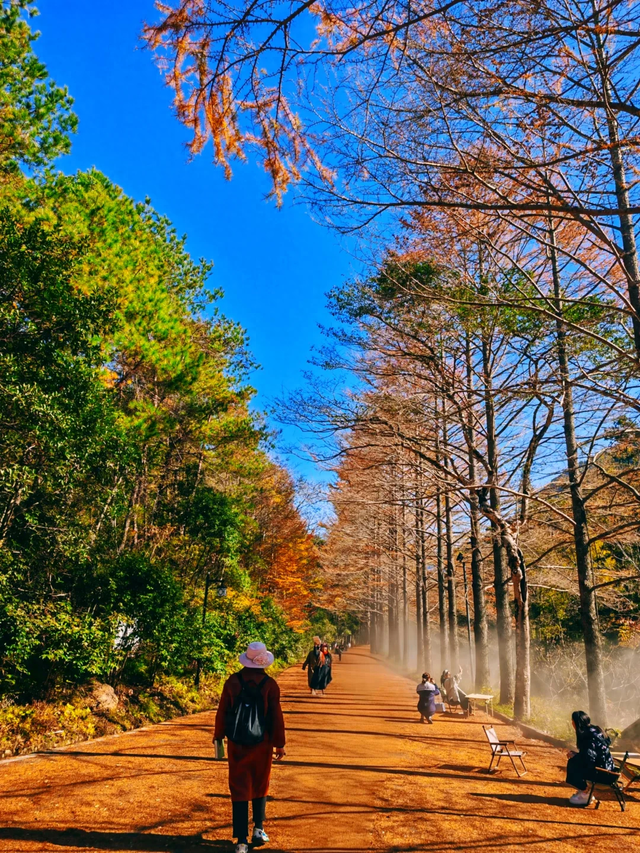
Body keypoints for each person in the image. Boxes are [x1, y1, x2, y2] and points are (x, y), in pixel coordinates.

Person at [214, 642, 286, 853]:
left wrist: (219, 736)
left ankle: (241, 841)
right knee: (260, 784)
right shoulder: (270, 685)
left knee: (239, 788)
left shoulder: (232, 682)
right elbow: (276, 717)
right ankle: (258, 829)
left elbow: (222, 711)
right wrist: (279, 744)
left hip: (237, 744)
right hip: (262, 744)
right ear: (264, 662)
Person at [566, 710, 615, 806]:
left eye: (573, 721)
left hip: (602, 773)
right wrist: (576, 755)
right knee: (575, 761)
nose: (572, 723)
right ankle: (584, 791)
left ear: (577, 723)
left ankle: (585, 792)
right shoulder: (595, 731)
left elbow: (589, 759)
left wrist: (575, 756)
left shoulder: (587, 737)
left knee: (572, 763)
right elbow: (591, 755)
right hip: (608, 768)